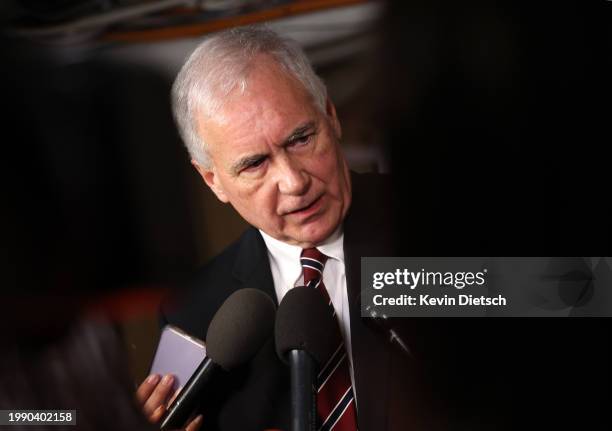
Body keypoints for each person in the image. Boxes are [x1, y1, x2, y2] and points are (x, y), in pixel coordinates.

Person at [138, 26, 427, 431]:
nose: (294, 182)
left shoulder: (439, 219)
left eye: (301, 139)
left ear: (331, 115)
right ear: (212, 180)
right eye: (255, 164)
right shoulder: (192, 312)